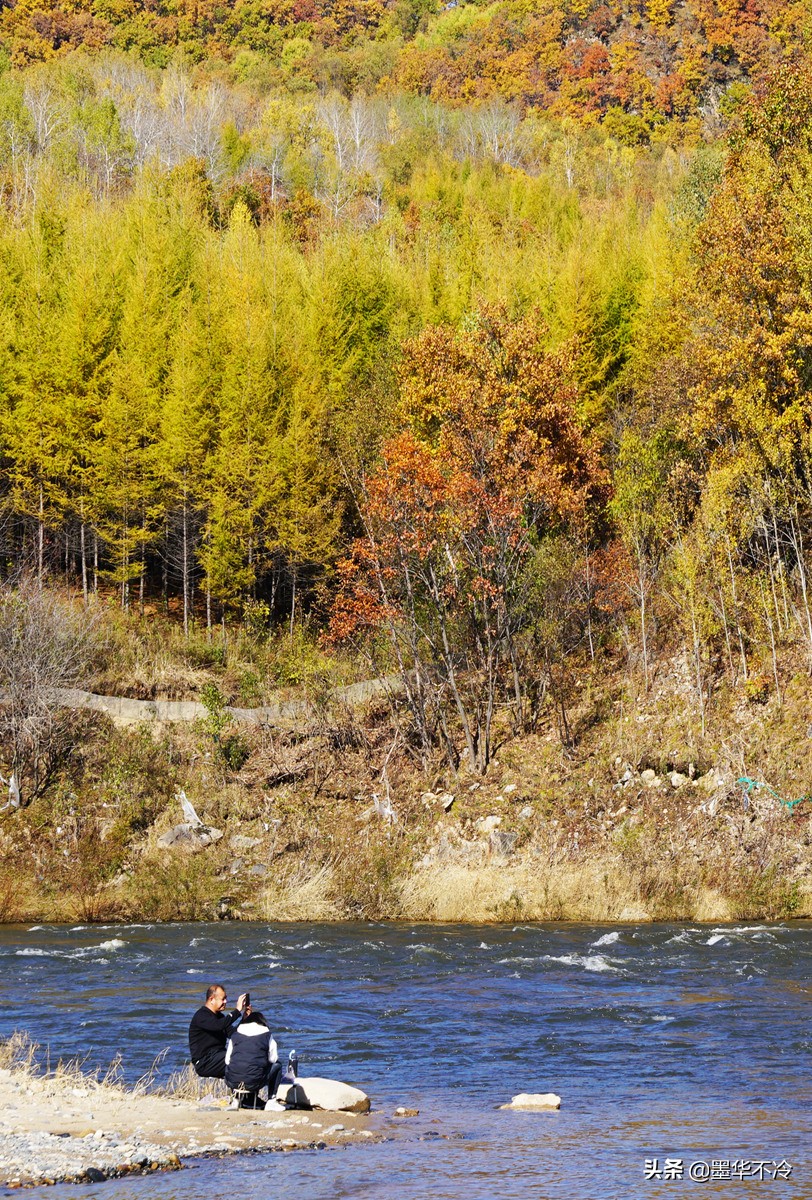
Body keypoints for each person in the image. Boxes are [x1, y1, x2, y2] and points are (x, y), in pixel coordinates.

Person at [224, 1002, 283, 1110]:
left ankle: (235, 1100)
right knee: (278, 1065)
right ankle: (271, 1100)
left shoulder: (235, 1035)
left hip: (232, 1081)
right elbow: (273, 1059)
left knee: (235, 1065)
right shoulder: (267, 1035)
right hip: (254, 1083)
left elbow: (227, 1061)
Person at [189, 984, 247, 1080]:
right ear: (212, 999)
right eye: (223, 999)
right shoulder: (201, 1015)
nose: (225, 1002)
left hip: (218, 1056)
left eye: (226, 998)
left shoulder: (220, 1017)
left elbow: (234, 1035)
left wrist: (244, 1019)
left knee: (247, 1054)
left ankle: (245, 1092)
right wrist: (237, 1011)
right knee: (238, 1057)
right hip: (204, 1062)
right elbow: (218, 1025)